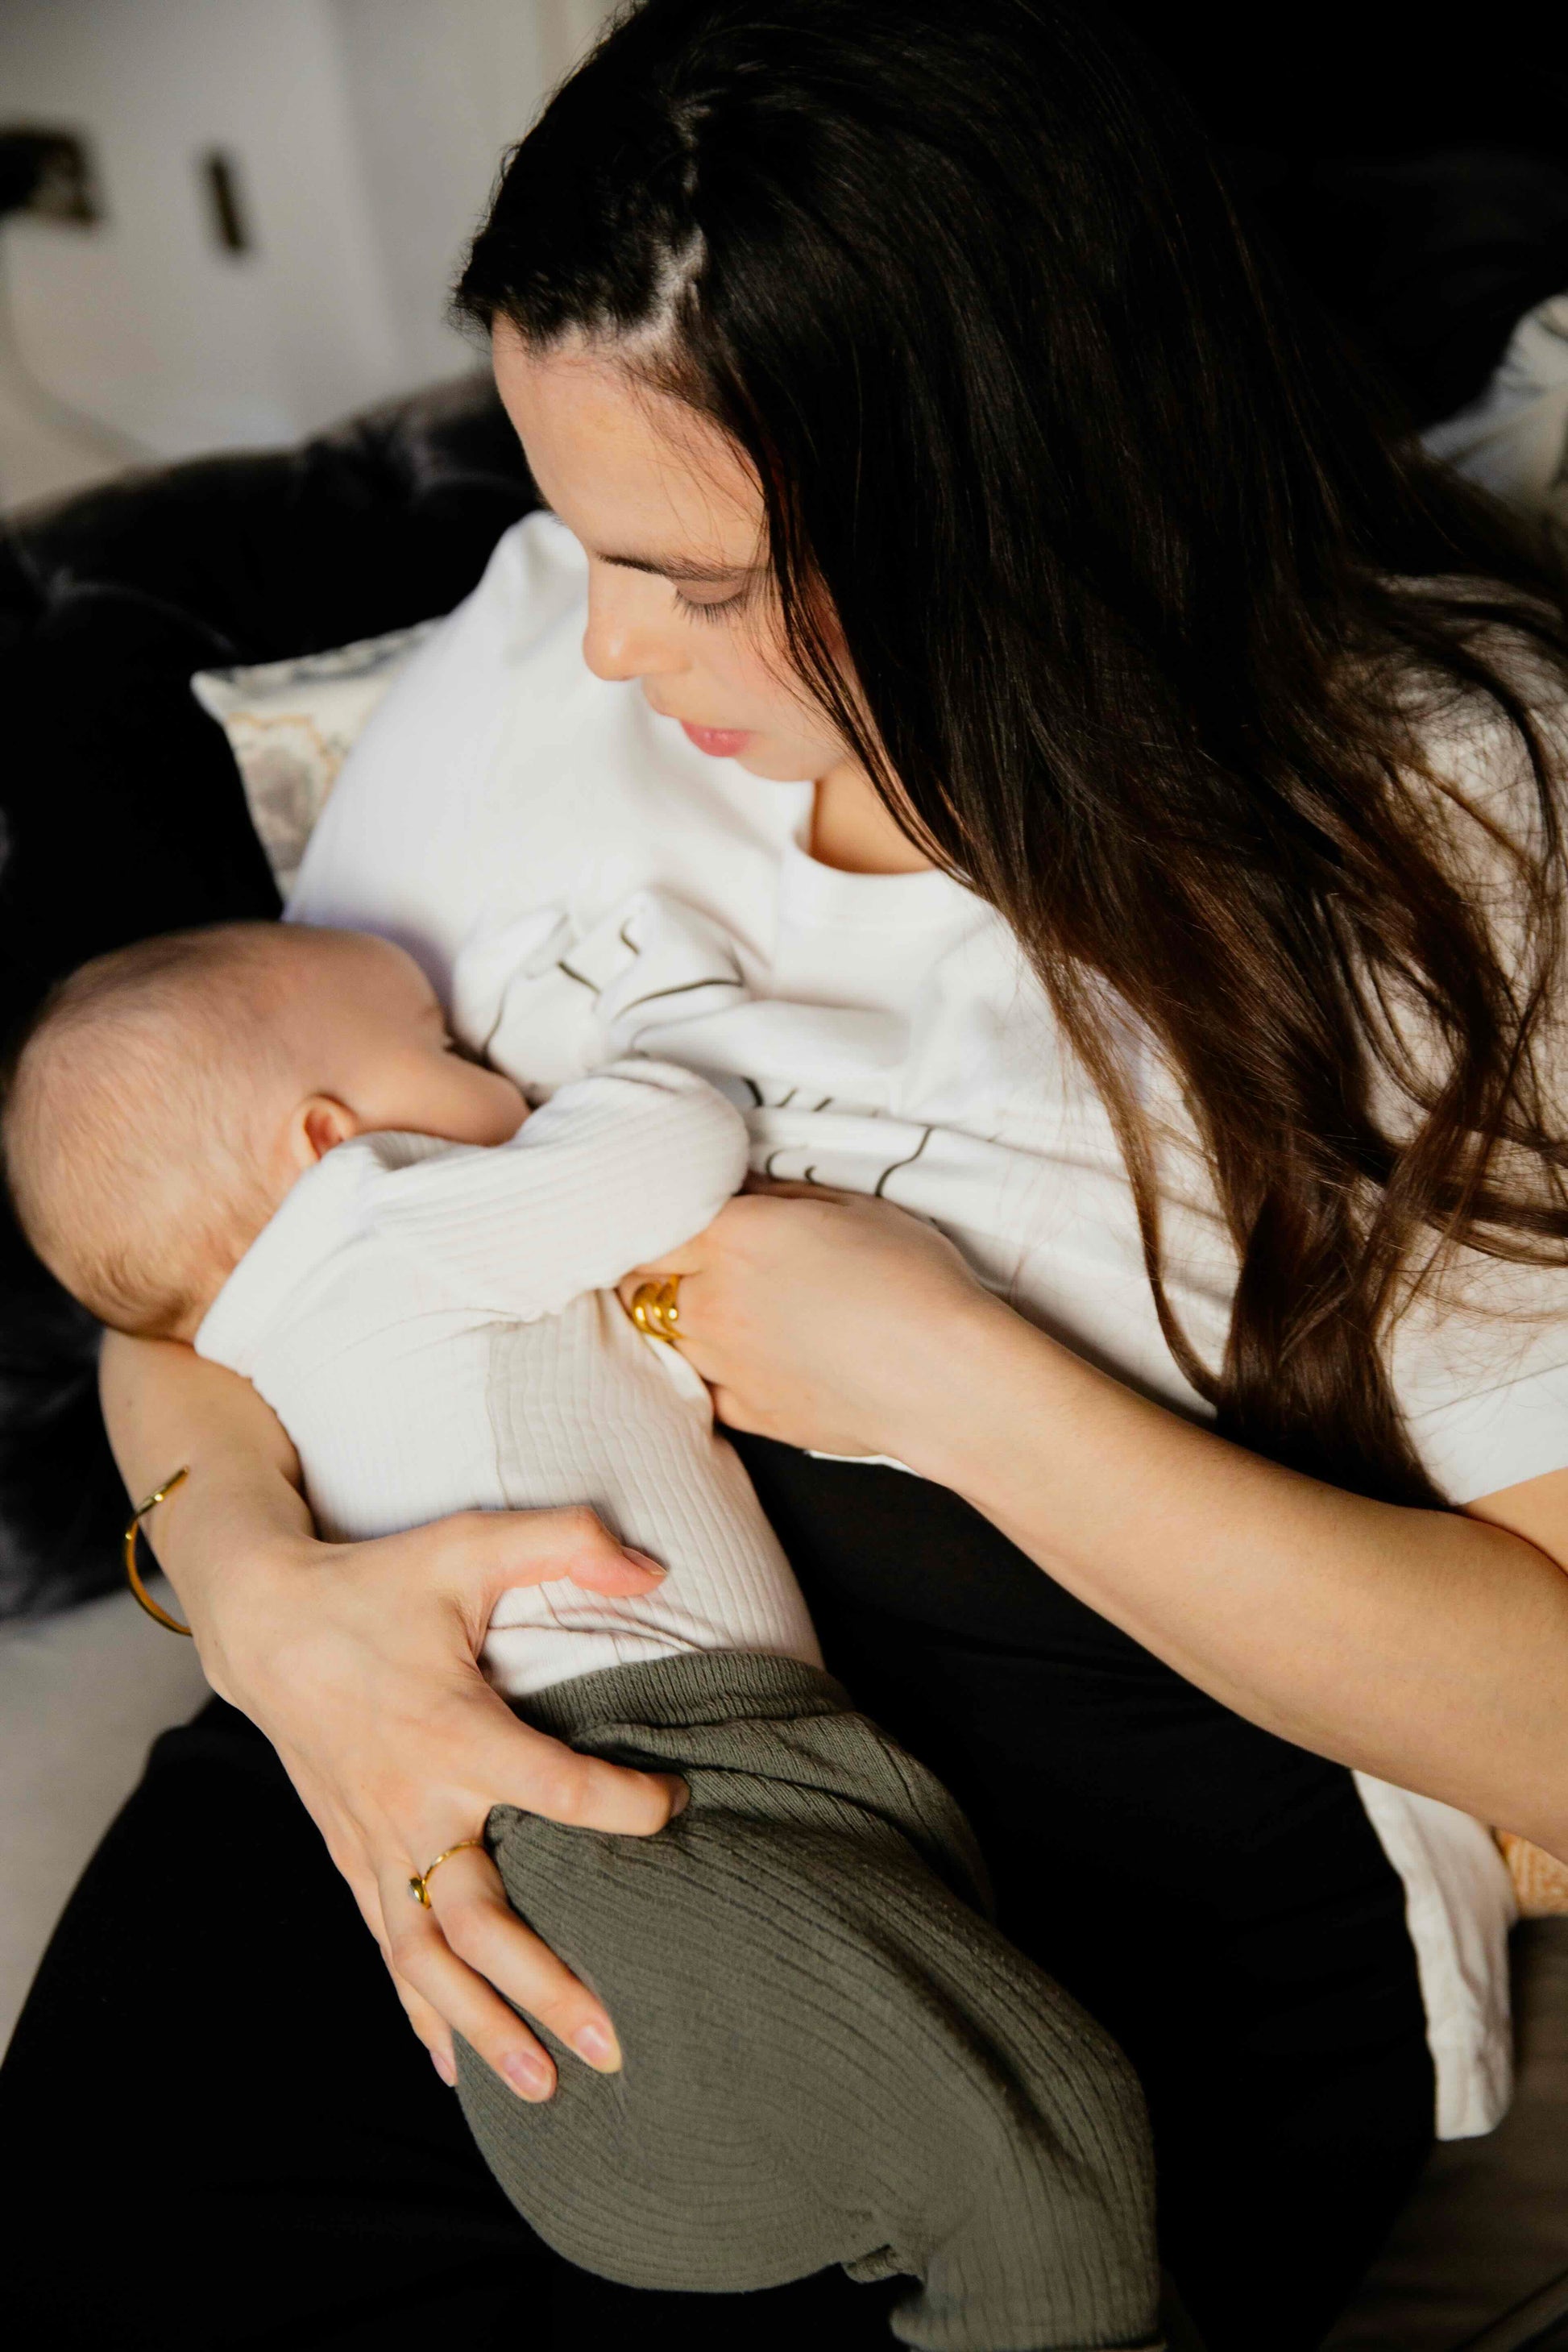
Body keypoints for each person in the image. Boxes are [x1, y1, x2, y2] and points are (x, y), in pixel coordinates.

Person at [6, 3, 1568, 2346]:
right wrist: (261, 1610)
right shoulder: (549, 658)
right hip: (412, 1768)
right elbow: (212, 1274)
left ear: (1013, 486)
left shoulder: (1440, 823)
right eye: (572, 524)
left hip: (1039, 1946)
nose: (608, 641)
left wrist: (960, 1386)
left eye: (704, 577)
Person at [1, 915, 1162, 2350]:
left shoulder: (262, 1342)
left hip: (566, 1992)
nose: (487, 1066)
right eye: (443, 1047)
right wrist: (625, 1049)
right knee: (1035, 2113)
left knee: (927, 2122)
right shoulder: (387, 1218)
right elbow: (677, 1133)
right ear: (326, 1138)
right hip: (640, 1784)